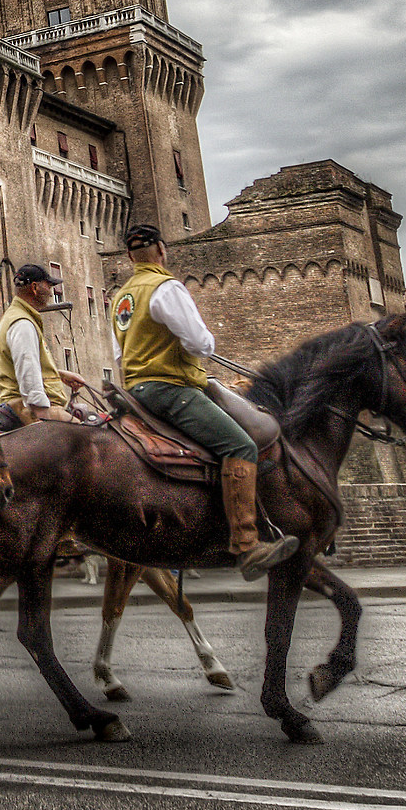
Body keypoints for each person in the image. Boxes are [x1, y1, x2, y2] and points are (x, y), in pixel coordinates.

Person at [112, 222, 298, 579]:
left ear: (129, 257)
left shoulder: (122, 297)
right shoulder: (166, 288)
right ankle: (247, 544)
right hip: (172, 389)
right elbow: (201, 344)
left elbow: (121, 355)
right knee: (240, 446)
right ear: (162, 251)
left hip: (135, 390)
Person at [0, 265, 90, 425]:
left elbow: (20, 364)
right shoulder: (23, 323)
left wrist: (59, 375)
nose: (52, 292)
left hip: (19, 404)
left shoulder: (15, 316)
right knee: (88, 437)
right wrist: (41, 410)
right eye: (49, 286)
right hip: (28, 409)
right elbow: (27, 369)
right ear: (34, 287)